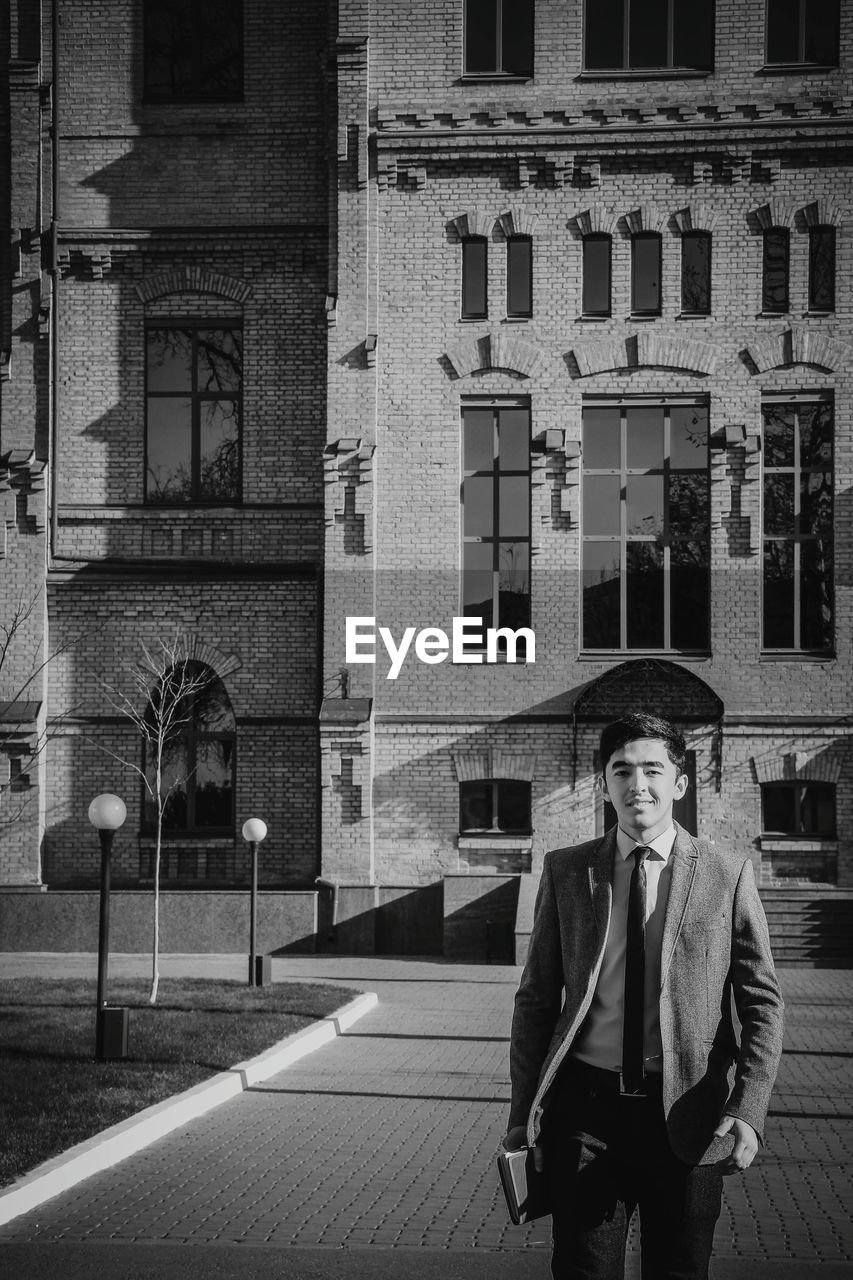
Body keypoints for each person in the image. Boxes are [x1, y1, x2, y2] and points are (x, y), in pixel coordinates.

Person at [505, 711, 784, 1280]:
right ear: (603, 784)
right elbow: (535, 1002)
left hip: (687, 1118)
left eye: (653, 770)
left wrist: (748, 1109)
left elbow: (762, 1003)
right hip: (586, 1117)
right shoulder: (567, 872)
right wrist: (520, 1117)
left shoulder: (726, 875)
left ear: (679, 783)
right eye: (622, 770)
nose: (639, 785)